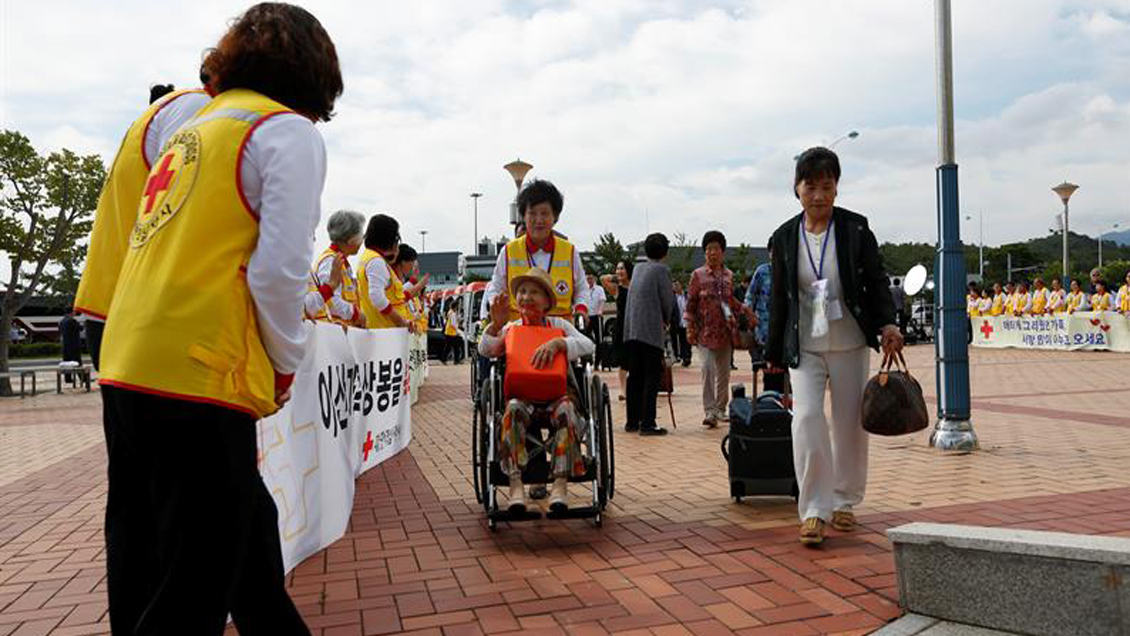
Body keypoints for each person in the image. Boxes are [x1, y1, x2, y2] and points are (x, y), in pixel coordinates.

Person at [97, 4, 340, 633]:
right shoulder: (286, 132)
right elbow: (279, 272)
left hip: (127, 362)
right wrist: (286, 362)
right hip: (200, 373)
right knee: (195, 583)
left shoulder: (189, 129)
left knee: (222, 552)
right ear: (316, 74)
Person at [766, 146, 902, 546]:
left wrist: (888, 324)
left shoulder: (855, 229)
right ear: (797, 189)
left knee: (848, 423)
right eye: (811, 186)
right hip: (805, 342)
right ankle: (813, 509)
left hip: (848, 340)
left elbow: (876, 281)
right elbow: (780, 297)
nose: (819, 195)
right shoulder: (784, 236)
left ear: (837, 189)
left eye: (827, 186)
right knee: (806, 418)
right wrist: (773, 350)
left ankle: (844, 500)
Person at [73, 86, 211, 370]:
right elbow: (182, 213)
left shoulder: (154, 119)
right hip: (144, 313)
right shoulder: (198, 108)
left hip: (115, 303)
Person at [479, 268, 594, 512]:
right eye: (521, 291)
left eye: (534, 292)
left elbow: (588, 344)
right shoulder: (511, 328)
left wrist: (560, 343)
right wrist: (494, 326)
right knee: (510, 410)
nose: (526, 297)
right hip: (523, 398)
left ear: (547, 301)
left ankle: (560, 485)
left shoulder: (559, 324)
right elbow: (486, 350)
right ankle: (515, 485)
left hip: (557, 396)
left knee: (566, 410)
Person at [483, 179, 590, 324]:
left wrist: (581, 308)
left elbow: (581, 288)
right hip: (519, 330)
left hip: (560, 330)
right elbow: (495, 287)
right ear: (524, 216)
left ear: (555, 217)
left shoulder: (569, 251)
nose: (538, 220)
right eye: (532, 213)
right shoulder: (509, 251)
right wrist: (496, 306)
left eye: (545, 213)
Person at [685, 230, 746, 428]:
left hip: (725, 332)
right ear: (705, 253)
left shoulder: (729, 276)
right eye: (709, 249)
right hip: (704, 332)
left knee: (724, 372)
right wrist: (689, 328)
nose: (712, 252)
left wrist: (745, 312)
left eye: (716, 248)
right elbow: (690, 303)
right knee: (707, 369)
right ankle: (709, 411)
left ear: (722, 252)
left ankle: (721, 410)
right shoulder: (698, 275)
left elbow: (730, 300)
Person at [623, 233, 675, 436]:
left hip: (632, 329)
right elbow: (667, 300)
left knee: (634, 376)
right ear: (665, 252)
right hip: (650, 330)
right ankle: (648, 423)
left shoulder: (638, 268)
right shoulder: (662, 269)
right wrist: (667, 319)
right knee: (652, 376)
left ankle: (632, 421)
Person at [304, 210, 366, 326]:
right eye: (362, 236)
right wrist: (354, 314)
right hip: (334, 334)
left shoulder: (341, 261)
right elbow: (330, 300)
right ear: (351, 240)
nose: (362, 241)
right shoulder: (330, 261)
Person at [357, 215, 417, 332]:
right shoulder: (376, 262)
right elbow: (377, 297)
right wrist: (401, 322)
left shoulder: (369, 257)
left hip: (381, 332)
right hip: (386, 333)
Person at [600, 260, 633, 399]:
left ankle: (636, 389)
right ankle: (623, 391)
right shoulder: (617, 289)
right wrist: (616, 277)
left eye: (622, 269)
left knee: (636, 359)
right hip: (621, 327)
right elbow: (602, 279)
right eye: (618, 268)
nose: (619, 271)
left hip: (636, 325)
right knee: (623, 361)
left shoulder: (636, 287)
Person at [671, 280, 691, 366]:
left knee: (687, 340)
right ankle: (684, 357)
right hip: (677, 322)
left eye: (677, 285)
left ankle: (687, 357)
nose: (675, 287)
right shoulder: (672, 297)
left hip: (687, 321)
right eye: (674, 286)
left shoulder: (687, 295)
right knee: (680, 340)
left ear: (681, 285)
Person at [444, 300, 464, 364]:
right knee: (454, 347)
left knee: (450, 347)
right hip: (451, 332)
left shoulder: (451, 312)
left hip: (449, 332)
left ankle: (448, 359)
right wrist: (457, 329)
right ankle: (456, 360)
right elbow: (453, 323)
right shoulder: (452, 313)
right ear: (455, 306)